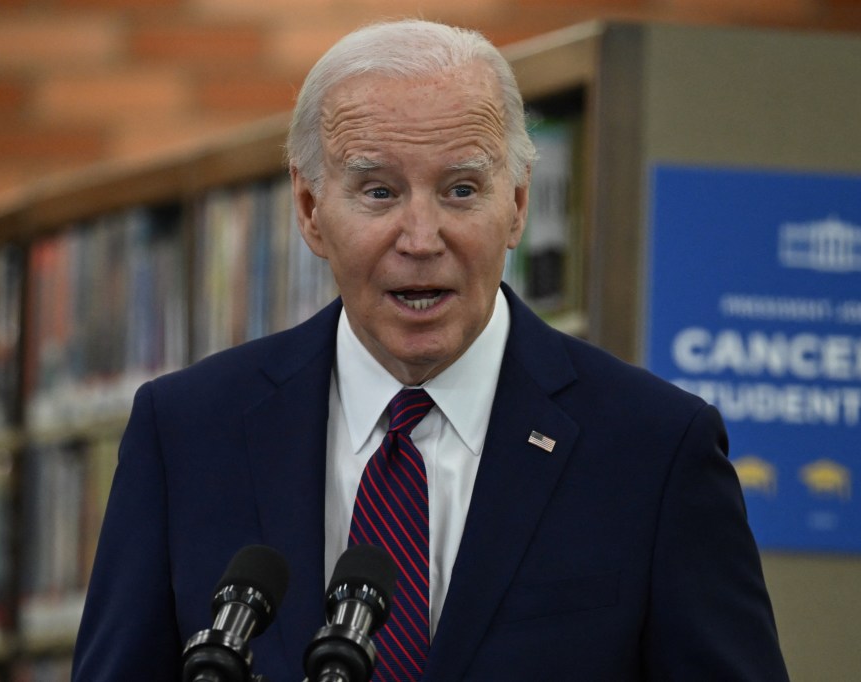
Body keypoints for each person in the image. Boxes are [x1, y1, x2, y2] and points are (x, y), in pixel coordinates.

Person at [72, 19, 789, 681]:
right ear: (311, 210)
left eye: (461, 189)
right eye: (379, 192)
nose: (421, 238)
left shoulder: (655, 448)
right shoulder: (187, 433)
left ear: (516, 205)